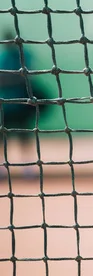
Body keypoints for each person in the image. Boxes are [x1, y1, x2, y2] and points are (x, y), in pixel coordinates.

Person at [0, 29, 44, 179]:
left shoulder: (23, 56)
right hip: (4, 105)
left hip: (21, 104)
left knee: (24, 136)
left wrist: (8, 79)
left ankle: (28, 168)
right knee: (2, 137)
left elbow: (25, 76)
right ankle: (2, 168)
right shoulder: (3, 56)